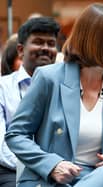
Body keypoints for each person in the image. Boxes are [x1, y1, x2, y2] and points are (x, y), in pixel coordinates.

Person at [5, 3, 103, 187]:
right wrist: (52, 165)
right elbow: (16, 134)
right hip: (49, 181)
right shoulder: (49, 77)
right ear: (97, 39)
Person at [0, 17, 60, 187]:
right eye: (38, 42)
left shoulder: (66, 88)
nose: (45, 49)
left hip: (58, 169)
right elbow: (1, 146)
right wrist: (40, 167)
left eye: (51, 43)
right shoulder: (2, 88)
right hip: (10, 169)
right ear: (20, 50)